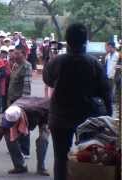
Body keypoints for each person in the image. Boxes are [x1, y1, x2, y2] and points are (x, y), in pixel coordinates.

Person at [43, 23, 112, 180]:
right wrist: (108, 114)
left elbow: (47, 79)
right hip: (88, 118)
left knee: (60, 158)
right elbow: (106, 91)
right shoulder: (94, 63)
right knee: (88, 158)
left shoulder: (57, 62)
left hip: (59, 117)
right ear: (85, 41)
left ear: (67, 40)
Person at [0, 97, 50, 176]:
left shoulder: (36, 109)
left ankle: (41, 168)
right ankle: (20, 166)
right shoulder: (8, 114)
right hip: (24, 111)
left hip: (45, 115)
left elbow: (49, 105)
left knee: (43, 139)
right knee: (8, 136)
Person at [7, 45, 32, 159]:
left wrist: (23, 104)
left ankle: (25, 150)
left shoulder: (27, 66)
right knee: (13, 126)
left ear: (23, 54)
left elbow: (26, 88)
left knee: (23, 126)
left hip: (21, 101)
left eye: (17, 53)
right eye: (14, 53)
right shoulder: (15, 65)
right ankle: (16, 148)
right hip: (12, 100)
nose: (14, 55)